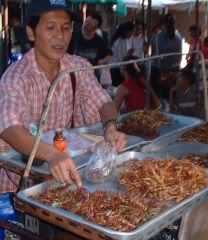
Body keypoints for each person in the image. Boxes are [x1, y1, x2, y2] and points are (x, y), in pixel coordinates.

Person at [0, 0, 127, 194]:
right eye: (50, 27)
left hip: (64, 178)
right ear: (31, 33)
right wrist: (52, 155)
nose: (60, 36)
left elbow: (103, 101)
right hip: (20, 185)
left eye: (66, 28)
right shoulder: (16, 77)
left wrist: (110, 128)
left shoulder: (78, 67)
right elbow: (10, 127)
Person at [151, 14, 182, 106]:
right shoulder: (178, 39)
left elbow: (154, 54)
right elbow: (178, 57)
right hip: (171, 70)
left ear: (163, 25)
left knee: (156, 96)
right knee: (169, 96)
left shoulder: (157, 37)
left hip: (157, 69)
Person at [110, 21, 134, 86]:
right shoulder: (120, 41)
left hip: (114, 67)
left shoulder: (117, 39)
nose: (131, 34)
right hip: (117, 68)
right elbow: (122, 58)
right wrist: (129, 53)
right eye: (131, 32)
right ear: (126, 31)